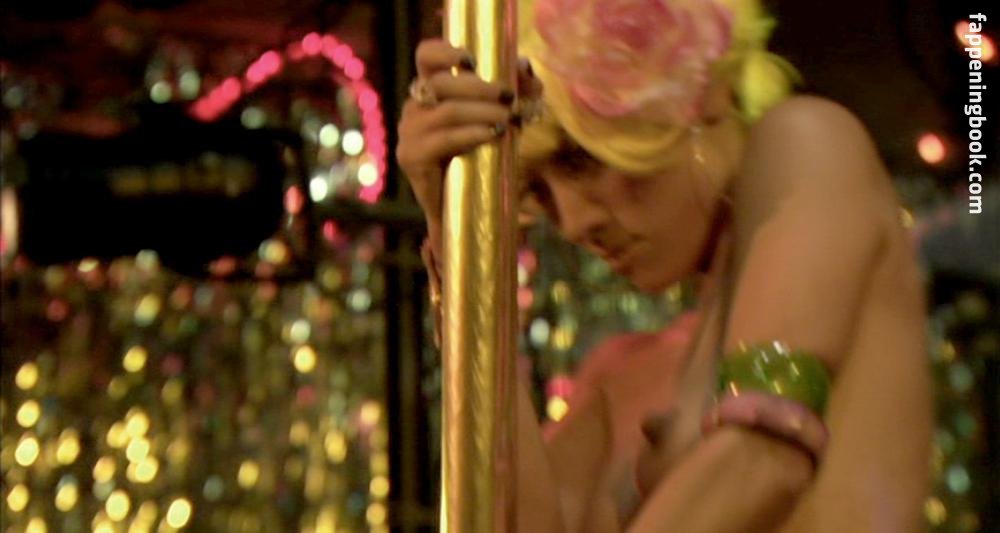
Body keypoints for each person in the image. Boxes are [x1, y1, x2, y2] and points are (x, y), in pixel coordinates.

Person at [396, 0, 932, 530]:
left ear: (694, 95)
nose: (574, 223)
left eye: (583, 160)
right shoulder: (618, 377)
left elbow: (765, 459)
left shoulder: (807, 141)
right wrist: (456, 232)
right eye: (538, 191)